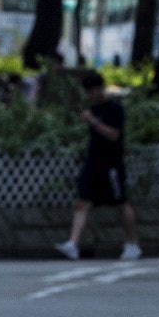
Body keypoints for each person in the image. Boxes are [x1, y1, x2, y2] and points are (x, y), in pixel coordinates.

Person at [54, 71, 140, 261]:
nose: (90, 96)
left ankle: (132, 243)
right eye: (87, 92)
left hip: (112, 163)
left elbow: (114, 135)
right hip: (93, 161)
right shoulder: (91, 109)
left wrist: (93, 121)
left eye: (92, 91)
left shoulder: (114, 110)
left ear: (100, 89)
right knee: (82, 202)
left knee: (120, 203)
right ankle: (73, 243)